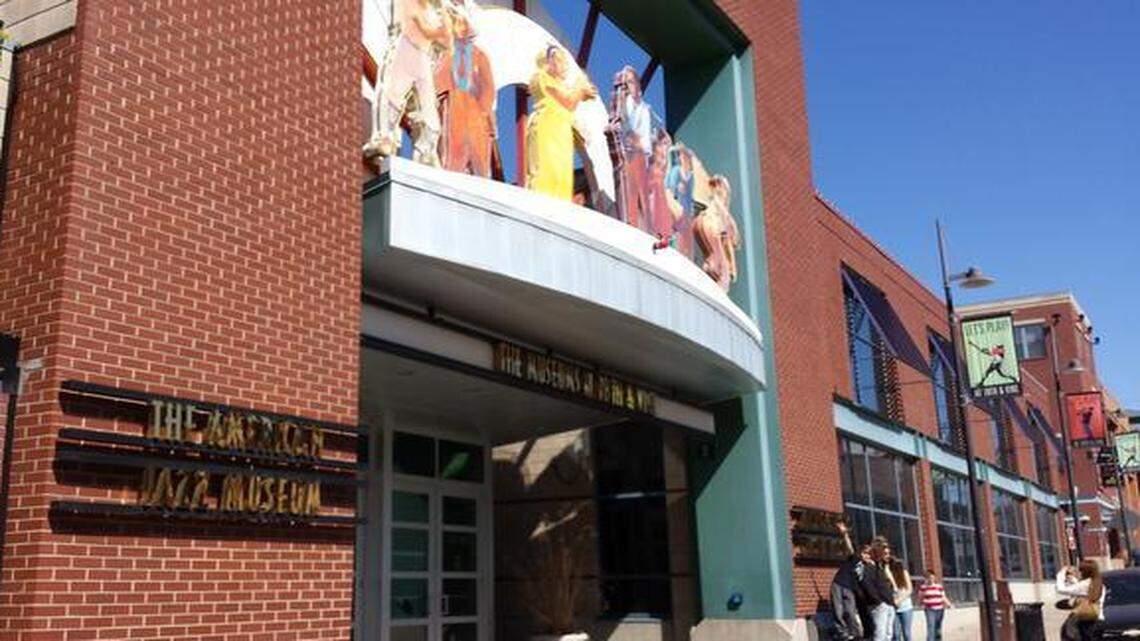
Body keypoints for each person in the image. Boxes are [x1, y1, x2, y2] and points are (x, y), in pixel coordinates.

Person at [365, 0, 451, 166]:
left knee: (424, 109)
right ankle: (385, 139)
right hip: (407, 47)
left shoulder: (438, 10)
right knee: (394, 95)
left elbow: (445, 40)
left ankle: (426, 153)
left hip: (423, 55)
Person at [524, 46, 597, 200]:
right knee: (546, 170)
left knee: (562, 173)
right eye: (558, 60)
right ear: (547, 62)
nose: (563, 65)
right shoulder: (542, 78)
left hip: (560, 133)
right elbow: (568, 102)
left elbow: (569, 108)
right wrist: (581, 89)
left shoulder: (560, 86)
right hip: (547, 128)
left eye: (563, 61)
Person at [613, 65, 653, 231]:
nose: (627, 86)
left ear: (637, 84)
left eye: (630, 82)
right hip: (627, 153)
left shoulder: (644, 109)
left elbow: (643, 137)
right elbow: (624, 119)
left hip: (639, 154)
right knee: (628, 190)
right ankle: (631, 223)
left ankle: (645, 227)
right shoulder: (625, 104)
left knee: (642, 194)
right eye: (624, 83)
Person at [829, 521, 866, 641]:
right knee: (838, 610)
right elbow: (849, 548)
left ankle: (856, 633)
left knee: (850, 612)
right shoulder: (855, 558)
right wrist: (844, 534)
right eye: (865, 554)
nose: (866, 556)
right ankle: (842, 632)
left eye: (868, 555)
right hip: (839, 583)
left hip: (850, 589)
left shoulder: (868, 568)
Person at [859, 537, 897, 641]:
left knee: (888, 635)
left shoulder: (880, 567)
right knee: (880, 635)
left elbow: (886, 586)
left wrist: (892, 603)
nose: (887, 555)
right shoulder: (869, 567)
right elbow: (866, 584)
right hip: (880, 606)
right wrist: (878, 601)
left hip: (889, 605)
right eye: (885, 552)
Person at [1057, 561, 1105, 641]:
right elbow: (1083, 592)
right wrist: (1074, 580)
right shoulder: (1099, 585)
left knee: (1068, 634)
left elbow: (1061, 589)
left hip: (1082, 620)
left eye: (1080, 570)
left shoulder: (1085, 584)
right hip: (1096, 620)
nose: (1078, 572)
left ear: (1084, 572)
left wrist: (1060, 574)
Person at [917, 569, 953, 641]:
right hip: (930, 609)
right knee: (931, 627)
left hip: (940, 609)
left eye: (932, 578)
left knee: (938, 628)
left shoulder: (939, 586)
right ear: (926, 578)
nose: (931, 580)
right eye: (929, 578)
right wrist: (925, 590)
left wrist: (949, 604)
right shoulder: (923, 587)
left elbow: (943, 597)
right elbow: (920, 599)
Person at [888, 559, 914, 641]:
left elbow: (909, 590)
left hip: (906, 607)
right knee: (896, 634)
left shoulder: (904, 573)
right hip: (893, 608)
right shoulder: (888, 576)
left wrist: (899, 600)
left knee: (906, 633)